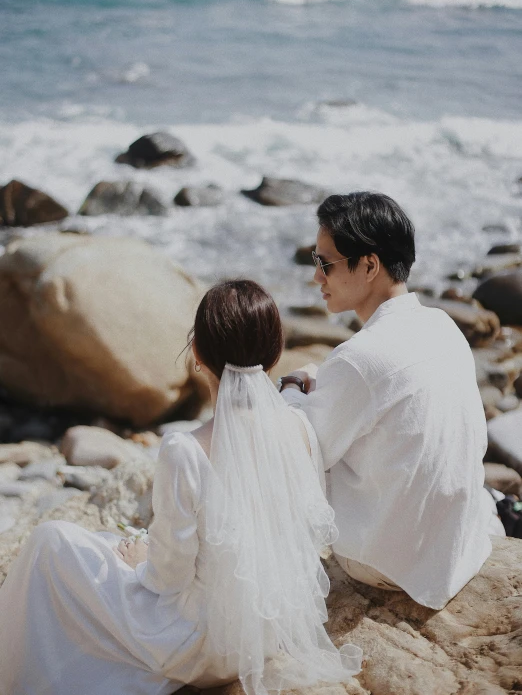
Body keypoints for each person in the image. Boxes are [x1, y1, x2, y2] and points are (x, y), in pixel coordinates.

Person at [0, 279, 361, 695]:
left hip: (200, 645)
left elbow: (168, 577)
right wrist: (299, 380)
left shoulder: (186, 450)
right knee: (99, 544)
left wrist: (141, 562)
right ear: (275, 354)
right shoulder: (301, 429)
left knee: (51, 541)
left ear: (197, 355)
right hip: (264, 631)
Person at [279, 192, 494, 610]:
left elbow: (298, 449)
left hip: (386, 563)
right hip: (457, 546)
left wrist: (291, 385)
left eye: (325, 263)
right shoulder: (442, 324)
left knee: (283, 440)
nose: (317, 277)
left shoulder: (361, 359)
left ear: (370, 265)